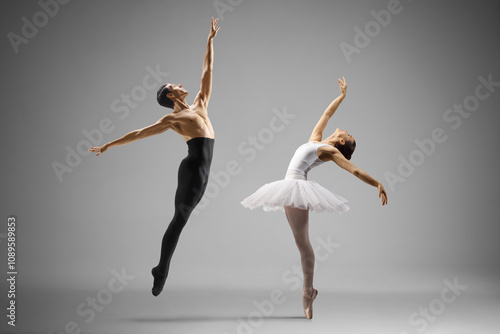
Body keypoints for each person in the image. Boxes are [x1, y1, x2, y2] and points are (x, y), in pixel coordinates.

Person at [89, 17, 221, 296]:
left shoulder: (200, 104)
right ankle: (161, 270)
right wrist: (109, 144)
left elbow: (207, 71)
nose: (181, 83)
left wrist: (209, 41)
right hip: (192, 169)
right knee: (179, 220)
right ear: (171, 95)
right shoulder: (173, 119)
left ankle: (161, 269)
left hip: (204, 171)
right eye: (175, 84)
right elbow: (139, 133)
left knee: (182, 220)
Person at [241, 77, 388, 319]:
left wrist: (378, 183)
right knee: (302, 245)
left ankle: (307, 294)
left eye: (347, 134)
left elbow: (354, 170)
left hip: (296, 187)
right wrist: (342, 96)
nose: (344, 129)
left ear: (341, 142)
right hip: (290, 185)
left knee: (304, 247)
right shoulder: (316, 140)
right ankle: (308, 293)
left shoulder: (328, 150)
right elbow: (326, 113)